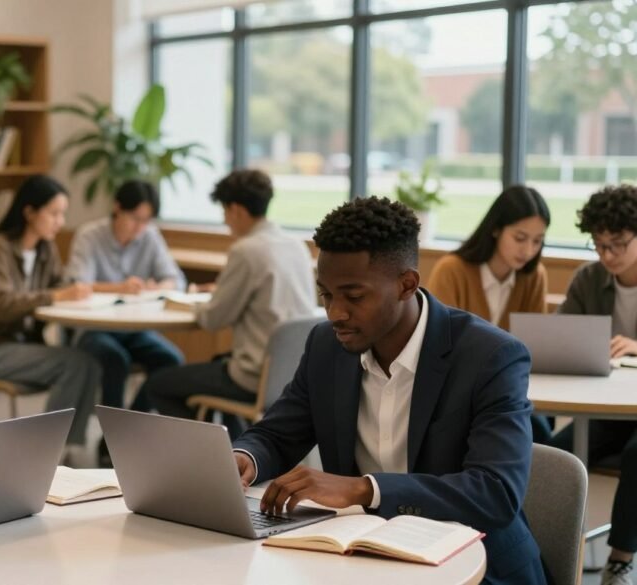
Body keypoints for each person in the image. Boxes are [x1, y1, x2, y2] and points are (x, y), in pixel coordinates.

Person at [232, 196, 547, 584]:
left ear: (406, 285)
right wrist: (246, 457)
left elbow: (494, 493)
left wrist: (365, 490)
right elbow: (278, 434)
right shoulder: (326, 345)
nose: (335, 313)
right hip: (363, 558)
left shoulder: (491, 357)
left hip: (475, 566)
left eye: (354, 296)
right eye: (326, 295)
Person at [140, 169, 317, 438]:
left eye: (224, 212)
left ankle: (212, 451)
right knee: (215, 366)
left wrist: (193, 304)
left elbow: (213, 319)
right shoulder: (295, 245)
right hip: (292, 373)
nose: (225, 221)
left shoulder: (246, 250)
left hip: (252, 377)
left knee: (158, 384)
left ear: (235, 209)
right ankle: (235, 446)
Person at [0, 175, 101, 465]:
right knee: (75, 363)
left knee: (89, 362)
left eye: (62, 214)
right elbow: (3, 305)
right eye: (54, 213)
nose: (60, 222)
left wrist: (72, 291)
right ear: (29, 212)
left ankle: (65, 448)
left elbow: (60, 285)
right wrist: (56, 296)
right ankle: (46, 450)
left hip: (21, 346)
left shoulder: (44, 249)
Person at [555, 184, 637, 585]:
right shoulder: (589, 279)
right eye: (599, 245)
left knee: (636, 457)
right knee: (553, 458)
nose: (607, 255)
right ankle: (547, 549)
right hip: (607, 408)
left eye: (618, 244)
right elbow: (560, 340)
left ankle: (620, 559)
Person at [427, 184, 553, 443]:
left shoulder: (533, 276)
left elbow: (534, 345)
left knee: (539, 430)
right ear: (496, 229)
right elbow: (439, 344)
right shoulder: (451, 270)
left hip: (509, 388)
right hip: (457, 392)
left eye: (537, 241)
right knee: (533, 430)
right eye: (520, 238)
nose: (528, 250)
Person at [65, 179, 185, 415]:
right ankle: (111, 440)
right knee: (115, 360)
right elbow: (77, 286)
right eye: (135, 218)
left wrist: (159, 286)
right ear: (117, 208)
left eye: (145, 220)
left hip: (134, 328)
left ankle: (130, 424)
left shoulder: (150, 236)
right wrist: (119, 288)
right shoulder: (90, 236)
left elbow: (176, 279)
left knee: (171, 360)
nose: (139, 227)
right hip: (93, 328)